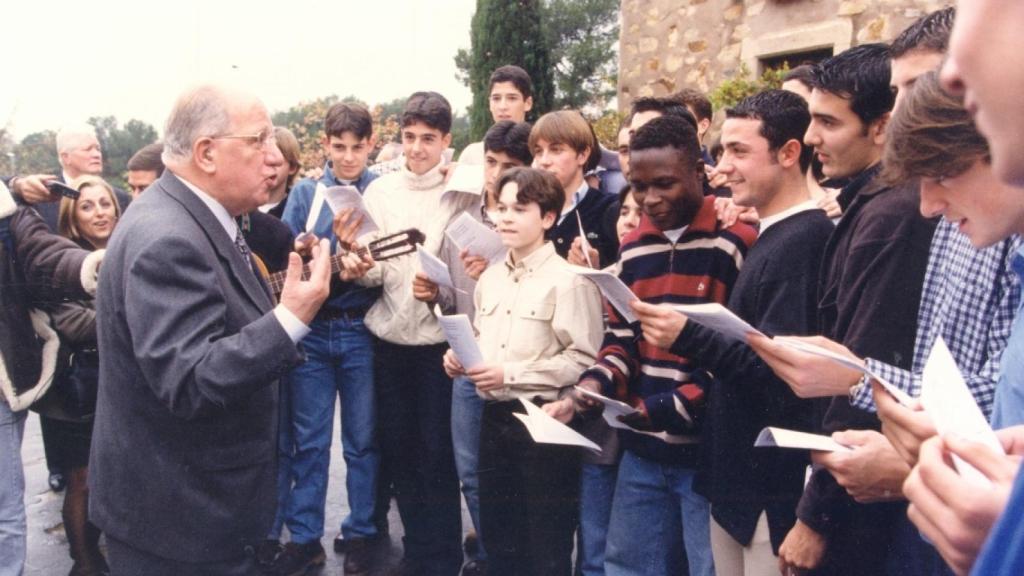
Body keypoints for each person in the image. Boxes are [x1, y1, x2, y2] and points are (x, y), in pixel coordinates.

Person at [88, 84, 333, 575]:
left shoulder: (189, 215)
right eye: (259, 140)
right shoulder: (169, 238)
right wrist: (289, 320)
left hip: (190, 513)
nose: (274, 157)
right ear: (206, 153)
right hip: (182, 526)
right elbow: (189, 380)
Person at [747, 44, 937, 576]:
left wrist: (815, 518)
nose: (811, 139)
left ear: (880, 126)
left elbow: (864, 371)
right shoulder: (869, 205)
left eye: (828, 122)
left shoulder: (893, 216)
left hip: (864, 504)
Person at [632, 90, 833, 576]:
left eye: (740, 152)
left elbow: (782, 376)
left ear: (789, 154)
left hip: (768, 494)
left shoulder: (804, 242)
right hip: (738, 487)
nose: (722, 167)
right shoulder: (772, 233)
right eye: (721, 151)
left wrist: (688, 335)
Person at [575, 115, 757, 576]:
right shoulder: (634, 249)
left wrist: (667, 407)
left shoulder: (735, 242)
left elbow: (741, 353)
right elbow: (621, 339)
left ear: (699, 172)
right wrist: (596, 383)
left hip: (705, 453)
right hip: (642, 450)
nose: (651, 199)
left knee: (708, 567)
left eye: (665, 184)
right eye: (639, 187)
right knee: (628, 566)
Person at [340, 91, 477, 576]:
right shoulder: (380, 192)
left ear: (446, 141)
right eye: (409, 137)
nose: (417, 149)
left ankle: (441, 558)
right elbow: (376, 272)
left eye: (428, 139)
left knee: (436, 454)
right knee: (399, 451)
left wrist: (437, 288)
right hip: (389, 342)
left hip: (438, 347)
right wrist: (356, 262)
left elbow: (469, 274)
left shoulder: (461, 194)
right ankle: (416, 552)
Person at [443, 166, 603, 575]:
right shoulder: (491, 278)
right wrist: (462, 358)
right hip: (494, 419)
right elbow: (485, 339)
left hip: (543, 422)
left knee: (544, 544)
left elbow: (584, 359)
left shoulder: (569, 281)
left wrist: (509, 374)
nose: (506, 218)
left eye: (520, 208)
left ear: (548, 218)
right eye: (501, 208)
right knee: (498, 537)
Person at [413, 119, 534, 576]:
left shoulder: (525, 223)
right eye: (491, 162)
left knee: (516, 475)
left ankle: (513, 558)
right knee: (470, 470)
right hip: (468, 357)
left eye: (509, 165)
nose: (496, 174)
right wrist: (431, 294)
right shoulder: (459, 222)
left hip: (517, 364)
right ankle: (489, 554)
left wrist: (495, 278)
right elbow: (446, 299)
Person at [271, 102, 383, 576]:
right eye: (340, 147)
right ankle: (304, 535)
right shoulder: (306, 193)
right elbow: (289, 249)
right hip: (314, 331)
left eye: (358, 147)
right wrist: (302, 247)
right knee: (310, 440)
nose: (349, 157)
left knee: (362, 439)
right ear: (326, 146)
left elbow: (387, 258)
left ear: (371, 145)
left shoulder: (381, 190)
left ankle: (361, 531)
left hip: (360, 326)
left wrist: (363, 261)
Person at [0, 177, 103, 576]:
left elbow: (44, 254)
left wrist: (92, 264)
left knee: (5, 510)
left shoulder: (9, 215)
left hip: (4, 385)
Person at [33, 175, 122, 576]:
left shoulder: (128, 249)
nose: (99, 213)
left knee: (117, 475)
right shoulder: (62, 257)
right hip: (75, 388)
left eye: (105, 204)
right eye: (87, 206)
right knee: (82, 478)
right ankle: (84, 563)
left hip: (119, 384)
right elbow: (74, 324)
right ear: (72, 215)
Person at [530, 110, 618, 267]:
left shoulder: (611, 210)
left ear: (582, 155)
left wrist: (597, 268)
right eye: (538, 151)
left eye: (556, 150)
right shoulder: (529, 212)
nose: (544, 161)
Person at [458, 65, 534, 165]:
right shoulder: (472, 155)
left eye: (512, 98)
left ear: (527, 103)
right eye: (496, 98)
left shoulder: (540, 154)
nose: (502, 106)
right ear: (490, 104)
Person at [261, 126, 301, 219]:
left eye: (274, 162)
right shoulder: (243, 209)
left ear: (292, 167)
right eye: (263, 159)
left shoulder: (297, 209)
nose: (267, 166)